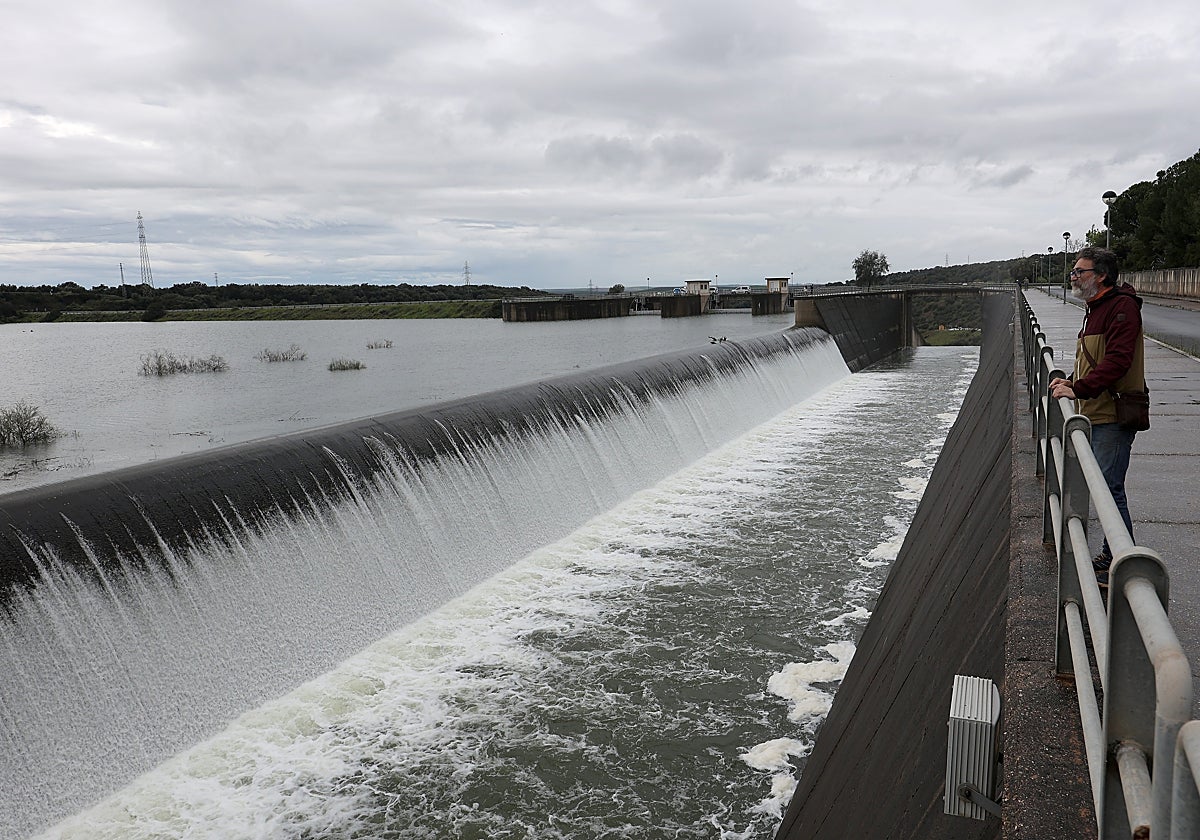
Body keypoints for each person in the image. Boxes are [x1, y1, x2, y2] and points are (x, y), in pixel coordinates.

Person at [1049, 246, 1146, 585]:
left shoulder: (1121, 308)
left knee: (1109, 489)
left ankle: (1123, 562)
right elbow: (1093, 358)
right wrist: (1072, 381)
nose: (1073, 277)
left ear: (1101, 275)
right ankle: (1112, 554)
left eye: (1080, 271)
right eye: (1073, 271)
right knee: (1105, 487)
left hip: (1113, 414)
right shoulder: (1096, 307)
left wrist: (1079, 389)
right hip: (1097, 412)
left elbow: (1117, 361)